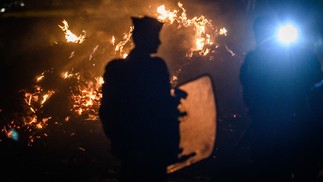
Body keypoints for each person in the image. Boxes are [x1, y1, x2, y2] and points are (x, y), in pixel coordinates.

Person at [240, 15, 322, 182]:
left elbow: (317, 79)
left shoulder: (300, 56)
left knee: (303, 170)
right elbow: (248, 90)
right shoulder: (253, 60)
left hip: (296, 122)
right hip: (271, 125)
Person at [99, 16, 181, 181]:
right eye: (155, 36)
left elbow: (107, 110)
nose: (159, 42)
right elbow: (160, 107)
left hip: (135, 148)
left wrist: (121, 144)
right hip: (148, 147)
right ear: (144, 38)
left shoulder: (116, 69)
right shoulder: (155, 67)